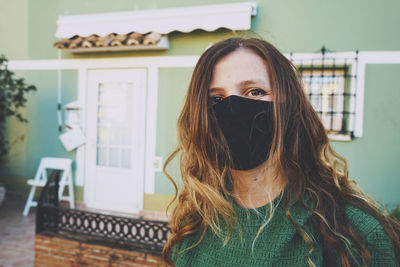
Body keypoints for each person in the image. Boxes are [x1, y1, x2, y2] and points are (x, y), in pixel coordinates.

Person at [161, 37, 400, 267]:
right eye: (216, 99)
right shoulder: (195, 223)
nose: (232, 109)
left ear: (289, 107)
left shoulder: (356, 235)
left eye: (255, 91)